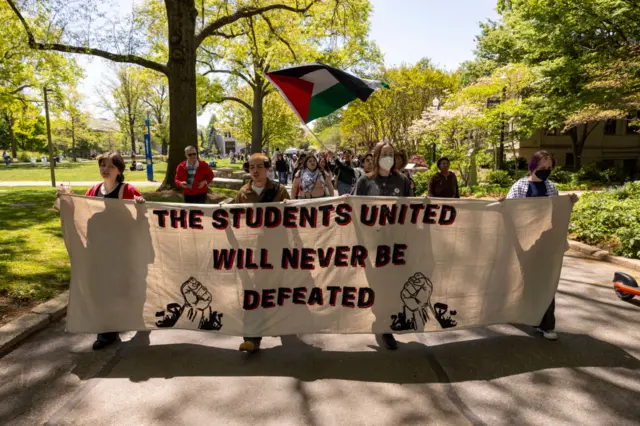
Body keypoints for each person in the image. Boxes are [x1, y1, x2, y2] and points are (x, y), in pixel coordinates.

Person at [57, 152, 146, 350]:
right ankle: (107, 332)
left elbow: (142, 221)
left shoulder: (128, 190)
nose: (105, 169)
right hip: (97, 250)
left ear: (119, 170)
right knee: (101, 291)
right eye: (102, 165)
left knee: (123, 290)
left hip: (121, 252)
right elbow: (81, 212)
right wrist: (65, 200)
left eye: (110, 166)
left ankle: (134, 317)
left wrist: (140, 208)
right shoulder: (94, 190)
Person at [506, 150, 577, 341]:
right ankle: (517, 313)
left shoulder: (551, 187)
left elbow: (556, 212)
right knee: (523, 282)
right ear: (532, 166)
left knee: (546, 283)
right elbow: (509, 211)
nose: (546, 171)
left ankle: (546, 325)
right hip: (525, 243)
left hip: (546, 243)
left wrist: (569, 203)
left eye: (549, 168)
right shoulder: (520, 186)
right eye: (542, 167)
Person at [353, 141, 414, 350]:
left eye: (391, 153)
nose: (388, 157)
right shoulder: (364, 182)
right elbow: (354, 208)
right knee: (376, 285)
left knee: (392, 285)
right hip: (372, 245)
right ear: (377, 156)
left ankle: (385, 323)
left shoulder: (403, 181)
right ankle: (382, 322)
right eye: (384, 153)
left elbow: (410, 209)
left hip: (395, 244)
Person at [235, 153, 290, 354]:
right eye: (251, 167)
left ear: (268, 168)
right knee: (254, 292)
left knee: (275, 290)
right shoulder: (243, 193)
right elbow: (235, 220)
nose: (255, 171)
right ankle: (252, 338)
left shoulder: (280, 191)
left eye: (259, 166)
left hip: (276, 249)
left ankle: (279, 322)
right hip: (253, 252)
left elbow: (292, 220)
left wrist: (287, 209)